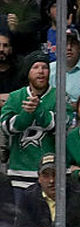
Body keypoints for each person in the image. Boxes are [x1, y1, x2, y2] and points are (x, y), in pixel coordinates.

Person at [0, 52, 56, 189]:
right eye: (35, 67)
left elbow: (60, 127)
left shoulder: (59, 96)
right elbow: (5, 127)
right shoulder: (15, 97)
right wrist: (25, 115)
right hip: (19, 175)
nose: (41, 71)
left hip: (52, 176)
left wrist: (39, 111)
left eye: (44, 67)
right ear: (28, 72)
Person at [14, 152, 80, 227]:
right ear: (39, 178)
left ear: (64, 176)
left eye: (55, 174)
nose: (51, 180)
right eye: (46, 175)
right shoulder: (28, 196)